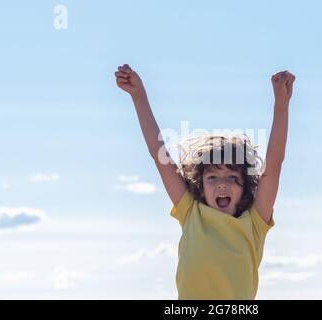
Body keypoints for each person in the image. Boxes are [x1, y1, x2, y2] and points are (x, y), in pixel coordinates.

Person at [115, 64, 295, 299]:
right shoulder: (191, 211)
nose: (222, 184)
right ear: (199, 184)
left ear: (246, 186)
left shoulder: (254, 223)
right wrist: (139, 96)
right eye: (212, 177)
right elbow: (159, 155)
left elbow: (273, 166)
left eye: (232, 177)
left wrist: (281, 105)